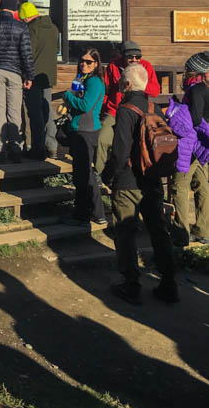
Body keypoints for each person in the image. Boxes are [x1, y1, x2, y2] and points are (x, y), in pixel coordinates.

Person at [104, 63, 178, 304]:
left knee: (125, 231)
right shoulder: (155, 106)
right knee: (158, 231)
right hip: (153, 179)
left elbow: (120, 151)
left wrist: (109, 175)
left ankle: (131, 284)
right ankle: (169, 283)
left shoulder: (126, 110)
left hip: (129, 181)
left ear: (126, 84)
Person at [0, 0, 34, 163]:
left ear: (0, 7)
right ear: (14, 9)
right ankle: (16, 148)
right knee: (14, 111)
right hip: (15, 72)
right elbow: (26, 54)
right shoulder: (21, 27)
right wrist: (29, 75)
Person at [95, 41, 160, 177]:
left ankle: (136, 174)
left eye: (137, 57)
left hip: (137, 111)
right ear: (123, 56)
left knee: (135, 143)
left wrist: (135, 81)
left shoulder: (146, 66)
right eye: (131, 57)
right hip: (114, 111)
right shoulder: (113, 65)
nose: (134, 60)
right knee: (102, 139)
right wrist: (103, 109)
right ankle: (99, 175)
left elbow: (155, 91)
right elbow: (107, 90)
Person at [166, 52, 209, 246]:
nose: (185, 73)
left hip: (191, 147)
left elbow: (195, 118)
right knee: (203, 186)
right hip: (204, 147)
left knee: (180, 187)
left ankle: (181, 234)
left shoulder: (196, 90)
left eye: (188, 70)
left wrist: (177, 115)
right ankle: (203, 230)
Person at [62, 49, 106, 227]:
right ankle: (95, 213)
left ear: (96, 64)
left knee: (84, 175)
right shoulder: (82, 79)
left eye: (89, 62)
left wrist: (67, 97)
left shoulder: (95, 81)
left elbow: (86, 105)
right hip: (79, 129)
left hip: (86, 131)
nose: (84, 64)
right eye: (81, 60)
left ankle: (84, 214)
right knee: (83, 174)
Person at [19, 1, 59, 160]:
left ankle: (38, 149)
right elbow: (56, 49)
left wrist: (26, 75)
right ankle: (52, 146)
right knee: (47, 110)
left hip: (33, 76)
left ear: (25, 17)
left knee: (35, 113)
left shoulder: (31, 29)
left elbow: (28, 53)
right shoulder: (54, 28)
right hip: (48, 76)